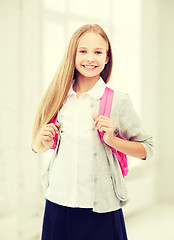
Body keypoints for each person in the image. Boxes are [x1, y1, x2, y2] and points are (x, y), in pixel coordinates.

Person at [31, 24, 153, 240]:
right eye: (83, 51)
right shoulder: (58, 97)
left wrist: (112, 140)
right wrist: (43, 140)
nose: (90, 58)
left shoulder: (118, 100)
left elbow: (147, 149)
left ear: (107, 58)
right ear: (73, 54)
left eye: (98, 52)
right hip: (58, 203)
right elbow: (39, 147)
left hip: (101, 209)